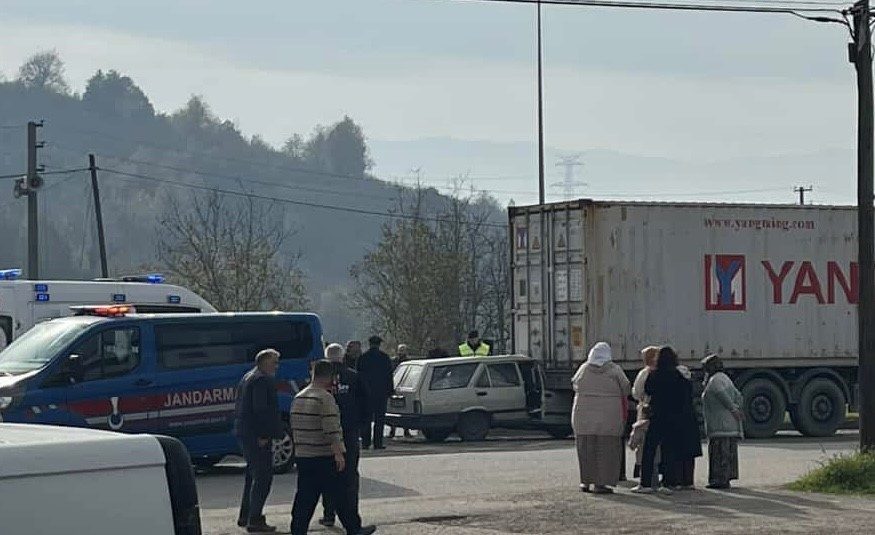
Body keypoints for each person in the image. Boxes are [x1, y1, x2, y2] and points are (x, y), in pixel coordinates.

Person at [290, 359, 376, 535]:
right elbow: (331, 429)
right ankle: (354, 528)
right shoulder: (325, 398)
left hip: (304, 455)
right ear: (331, 377)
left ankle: (297, 530)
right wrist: (338, 454)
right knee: (341, 495)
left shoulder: (299, 397)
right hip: (324, 455)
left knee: (305, 498)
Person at [319, 344, 371, 528]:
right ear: (342, 357)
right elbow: (366, 403)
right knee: (349, 477)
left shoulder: (320, 379)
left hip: (324, 435)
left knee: (328, 474)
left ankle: (328, 514)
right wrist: (362, 427)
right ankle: (352, 516)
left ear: (326, 358)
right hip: (348, 433)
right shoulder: (353, 376)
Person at [233, 349, 285, 533]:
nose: (276, 366)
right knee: (263, 477)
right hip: (256, 435)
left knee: (253, 475)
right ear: (263, 362)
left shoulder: (249, 376)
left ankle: (246, 515)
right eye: (274, 362)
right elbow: (261, 409)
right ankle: (255, 519)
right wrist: (264, 434)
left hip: (245, 432)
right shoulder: (262, 380)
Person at [570, 342, 631, 494]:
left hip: (583, 416)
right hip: (609, 417)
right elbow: (626, 388)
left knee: (586, 450)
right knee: (606, 450)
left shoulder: (583, 369)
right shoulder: (614, 370)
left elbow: (575, 384)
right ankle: (601, 483)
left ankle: (585, 481)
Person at [632, 346, 688, 495]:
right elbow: (684, 394)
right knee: (669, 449)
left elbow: (648, 390)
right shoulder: (678, 375)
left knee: (649, 450)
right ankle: (669, 482)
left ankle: (646, 483)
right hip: (673, 416)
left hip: (657, 416)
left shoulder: (654, 374)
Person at [701, 354, 744, 490]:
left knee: (719, 454)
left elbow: (721, 395)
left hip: (719, 424)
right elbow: (739, 396)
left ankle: (719, 480)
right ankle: (725, 479)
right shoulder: (726, 378)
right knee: (728, 452)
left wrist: (732, 408)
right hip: (730, 424)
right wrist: (736, 408)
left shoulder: (714, 381)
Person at [666, 364, 703, 490]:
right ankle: (689, 481)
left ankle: (678, 480)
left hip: (677, 420)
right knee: (689, 454)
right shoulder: (688, 384)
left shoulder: (675, 384)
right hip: (690, 420)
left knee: (678, 452)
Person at [357, 335, 394, 450]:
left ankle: (365, 442)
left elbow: (358, 376)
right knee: (379, 419)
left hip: (366, 392)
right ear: (379, 344)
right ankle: (378, 443)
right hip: (381, 393)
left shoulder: (363, 358)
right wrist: (390, 390)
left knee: (366, 418)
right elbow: (389, 376)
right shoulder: (385, 358)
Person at [631, 346, 659, 480]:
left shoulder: (644, 373)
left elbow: (636, 393)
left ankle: (646, 477)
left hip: (645, 410)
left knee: (644, 444)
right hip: (659, 412)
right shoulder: (663, 372)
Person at [628, 404, 659, 488]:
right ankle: (655, 484)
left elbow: (634, 439)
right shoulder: (657, 426)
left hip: (641, 452)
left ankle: (645, 483)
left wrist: (632, 445)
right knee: (655, 469)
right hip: (657, 453)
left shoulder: (639, 427)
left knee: (644, 468)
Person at [388, 344, 413, 439]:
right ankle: (392, 430)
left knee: (405, 409)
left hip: (406, 385)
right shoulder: (393, 361)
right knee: (393, 408)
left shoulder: (409, 362)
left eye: (403, 350)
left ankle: (406, 430)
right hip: (395, 385)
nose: (401, 352)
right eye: (400, 350)